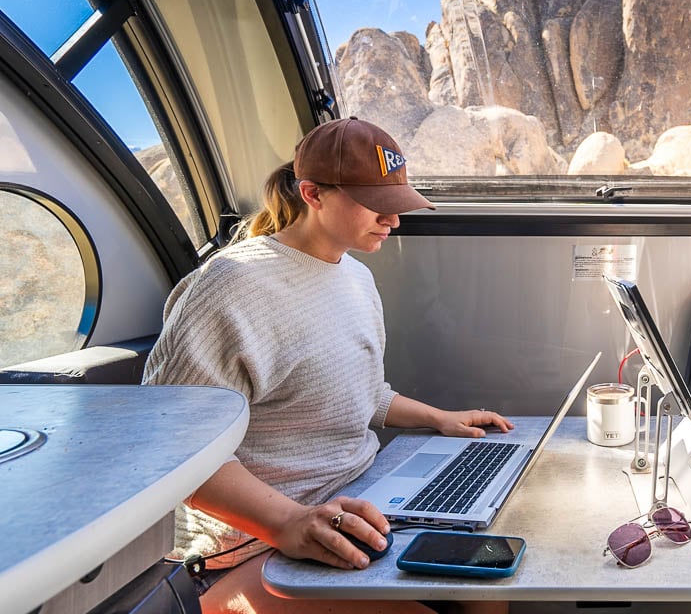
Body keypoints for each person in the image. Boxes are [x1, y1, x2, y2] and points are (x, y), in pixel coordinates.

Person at [143, 117, 513, 614]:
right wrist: (289, 523)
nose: (393, 221)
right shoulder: (231, 286)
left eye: (397, 204)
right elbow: (171, 447)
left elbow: (363, 393)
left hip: (360, 499)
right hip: (252, 546)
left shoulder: (357, 278)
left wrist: (438, 419)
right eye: (378, 206)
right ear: (313, 194)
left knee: (491, 587)